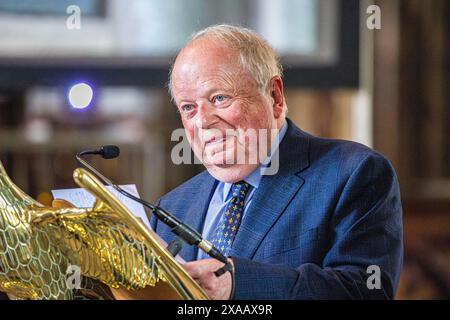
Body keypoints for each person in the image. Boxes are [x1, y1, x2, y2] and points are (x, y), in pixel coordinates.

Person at [150, 24, 403, 300]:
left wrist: (238, 284)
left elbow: (365, 292)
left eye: (219, 98)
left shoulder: (354, 174)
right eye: (188, 108)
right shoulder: (171, 207)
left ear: (275, 97)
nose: (202, 121)